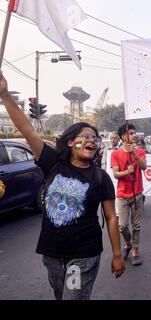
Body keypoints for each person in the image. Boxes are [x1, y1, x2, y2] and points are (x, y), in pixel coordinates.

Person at [0, 72, 125, 300]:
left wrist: (117, 254)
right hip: (52, 254)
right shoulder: (53, 164)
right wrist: (5, 95)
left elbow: (111, 218)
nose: (92, 141)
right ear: (70, 142)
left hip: (83, 255)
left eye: (95, 139)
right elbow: (28, 130)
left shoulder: (100, 177)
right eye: (86, 137)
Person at [111, 123, 147, 266]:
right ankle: (128, 242)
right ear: (123, 136)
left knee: (136, 225)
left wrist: (133, 154)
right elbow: (115, 174)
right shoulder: (116, 153)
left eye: (134, 132)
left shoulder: (140, 151)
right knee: (123, 226)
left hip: (137, 194)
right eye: (131, 133)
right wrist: (126, 172)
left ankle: (135, 250)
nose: (134, 135)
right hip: (122, 196)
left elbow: (144, 167)